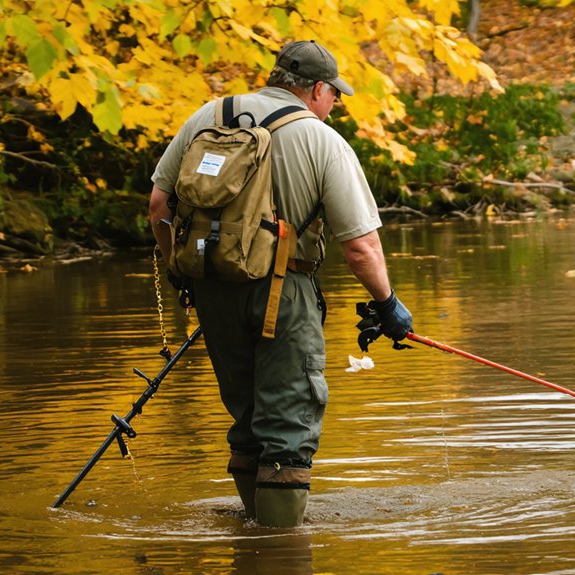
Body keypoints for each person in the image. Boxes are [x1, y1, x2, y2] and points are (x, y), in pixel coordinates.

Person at [147, 40, 413, 528]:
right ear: (316, 89)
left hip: (210, 289)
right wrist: (388, 304)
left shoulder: (208, 114)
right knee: (289, 424)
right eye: (335, 95)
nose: (335, 105)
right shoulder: (321, 139)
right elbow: (361, 248)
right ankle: (280, 547)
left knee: (246, 419)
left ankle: (252, 537)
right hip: (283, 294)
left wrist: (181, 272)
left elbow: (158, 208)